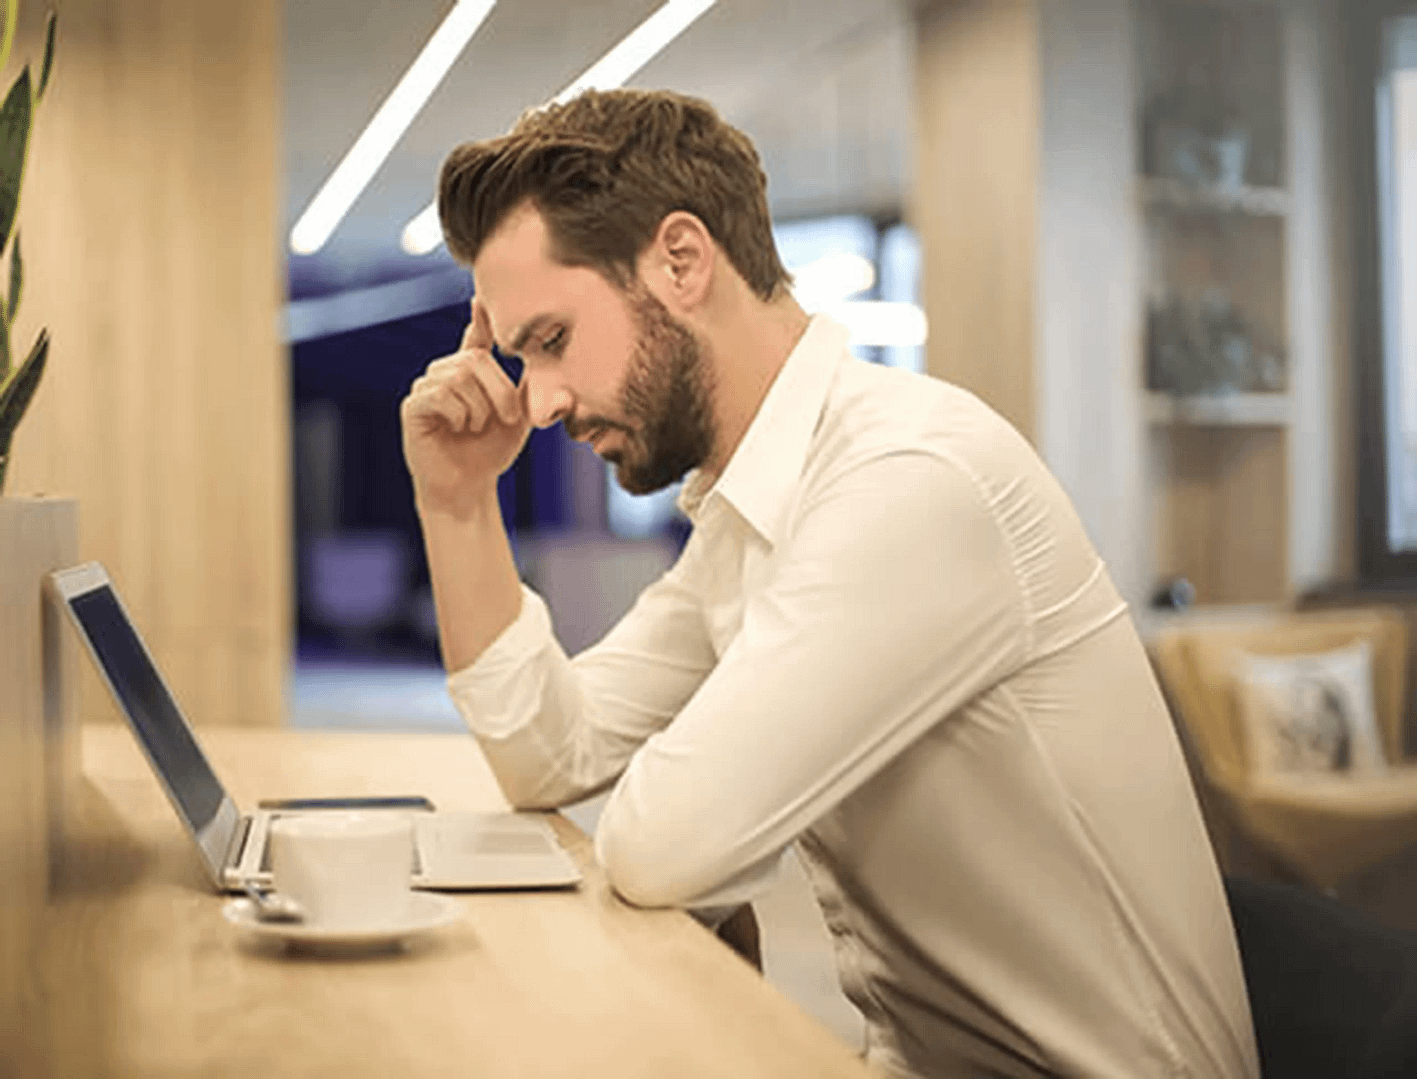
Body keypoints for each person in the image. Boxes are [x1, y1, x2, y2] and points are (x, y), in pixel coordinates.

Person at [400, 88, 1259, 1079]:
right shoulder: (752, 510)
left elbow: (663, 845)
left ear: (680, 261)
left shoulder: (907, 478)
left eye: (550, 340)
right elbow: (549, 754)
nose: (537, 400)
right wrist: (458, 506)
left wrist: (696, 793)